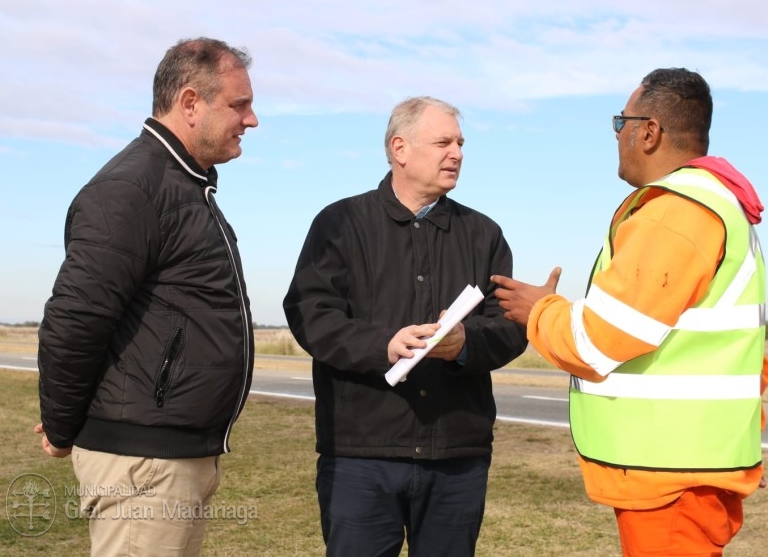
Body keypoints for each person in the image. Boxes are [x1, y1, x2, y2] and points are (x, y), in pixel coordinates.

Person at [492, 68, 768, 557]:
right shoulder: (717, 204)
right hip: (692, 467)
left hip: (671, 477)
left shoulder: (677, 212)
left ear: (649, 132)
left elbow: (600, 340)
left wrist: (540, 310)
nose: (616, 134)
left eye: (620, 121)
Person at [35, 37, 258, 556]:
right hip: (144, 464)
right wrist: (62, 426)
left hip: (172, 458)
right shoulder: (133, 189)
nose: (251, 120)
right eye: (239, 105)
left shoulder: (185, 186)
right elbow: (74, 319)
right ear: (189, 103)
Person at [283, 96, 527, 557]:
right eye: (443, 142)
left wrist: (464, 345)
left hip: (457, 457)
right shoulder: (340, 223)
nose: (456, 153)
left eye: (460, 143)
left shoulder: (484, 234)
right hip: (361, 455)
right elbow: (309, 312)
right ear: (400, 148)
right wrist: (383, 344)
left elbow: (511, 325)